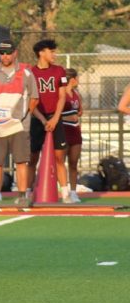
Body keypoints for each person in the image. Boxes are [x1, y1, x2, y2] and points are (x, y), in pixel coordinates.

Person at [0, 40, 38, 207]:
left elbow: (34, 98)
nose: (5, 56)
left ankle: (22, 196)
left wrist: (24, 115)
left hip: (18, 126)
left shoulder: (26, 74)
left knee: (21, 161)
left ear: (15, 53)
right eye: (2, 53)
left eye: (8, 52)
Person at [27, 39, 69, 199]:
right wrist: (43, 120)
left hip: (55, 117)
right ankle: (28, 193)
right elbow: (30, 101)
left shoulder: (59, 71)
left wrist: (55, 118)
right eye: (51, 51)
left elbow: (62, 96)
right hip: (37, 118)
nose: (54, 54)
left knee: (59, 156)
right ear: (41, 53)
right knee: (32, 157)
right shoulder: (30, 73)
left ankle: (65, 193)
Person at [61, 68, 83, 204]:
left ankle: (74, 192)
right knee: (61, 161)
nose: (78, 80)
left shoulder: (76, 94)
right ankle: (64, 191)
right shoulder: (62, 93)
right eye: (77, 78)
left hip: (75, 130)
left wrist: (77, 114)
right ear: (72, 79)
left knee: (74, 162)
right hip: (64, 128)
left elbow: (80, 110)